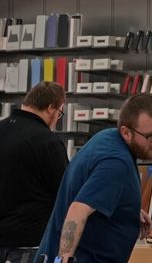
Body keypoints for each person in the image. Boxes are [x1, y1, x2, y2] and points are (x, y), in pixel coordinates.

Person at [36, 93, 152, 263]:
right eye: (151, 136)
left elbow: (92, 189)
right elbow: (78, 210)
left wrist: (126, 208)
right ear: (126, 132)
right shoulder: (116, 163)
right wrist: (63, 260)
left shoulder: (108, 138)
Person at [0, 82, 70, 260]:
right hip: (29, 242)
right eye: (59, 113)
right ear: (50, 108)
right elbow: (65, 191)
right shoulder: (47, 141)